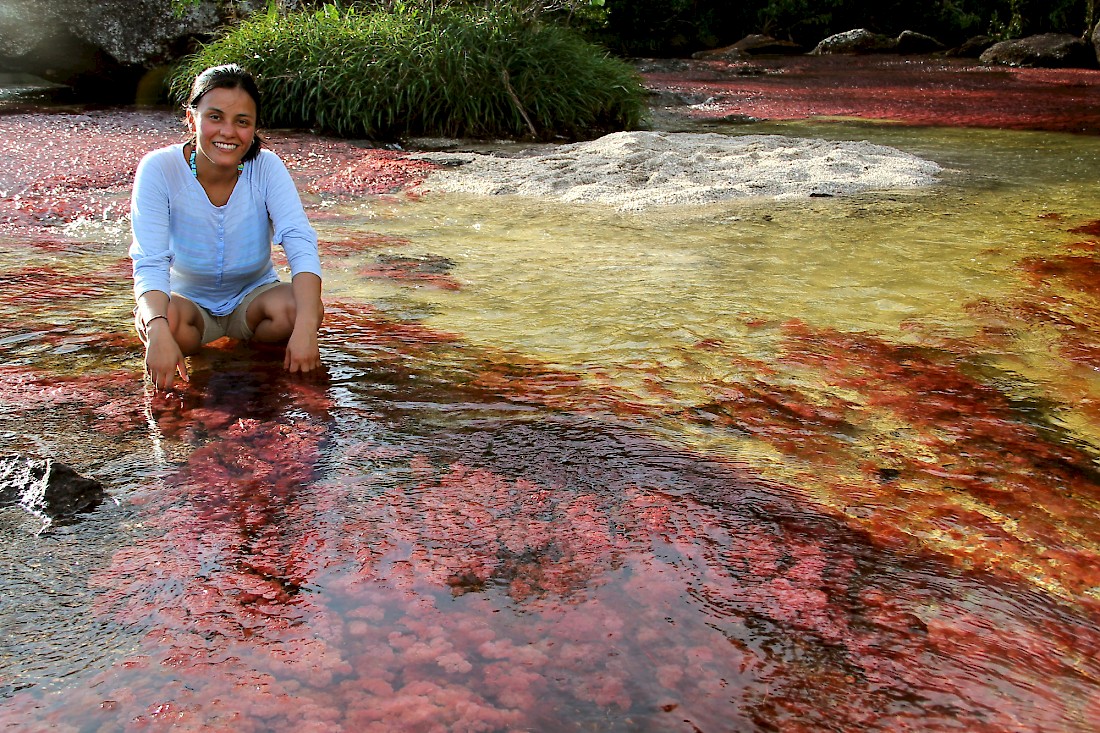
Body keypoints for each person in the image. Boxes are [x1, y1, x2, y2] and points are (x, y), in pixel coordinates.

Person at [129, 63, 323, 392]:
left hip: (254, 300)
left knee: (302, 310)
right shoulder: (160, 169)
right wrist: (158, 327)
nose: (228, 132)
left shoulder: (266, 167)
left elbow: (299, 241)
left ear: (254, 127)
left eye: (242, 122)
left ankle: (253, 364)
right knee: (159, 323)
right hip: (188, 306)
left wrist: (306, 329)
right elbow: (150, 259)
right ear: (192, 118)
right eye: (215, 117)